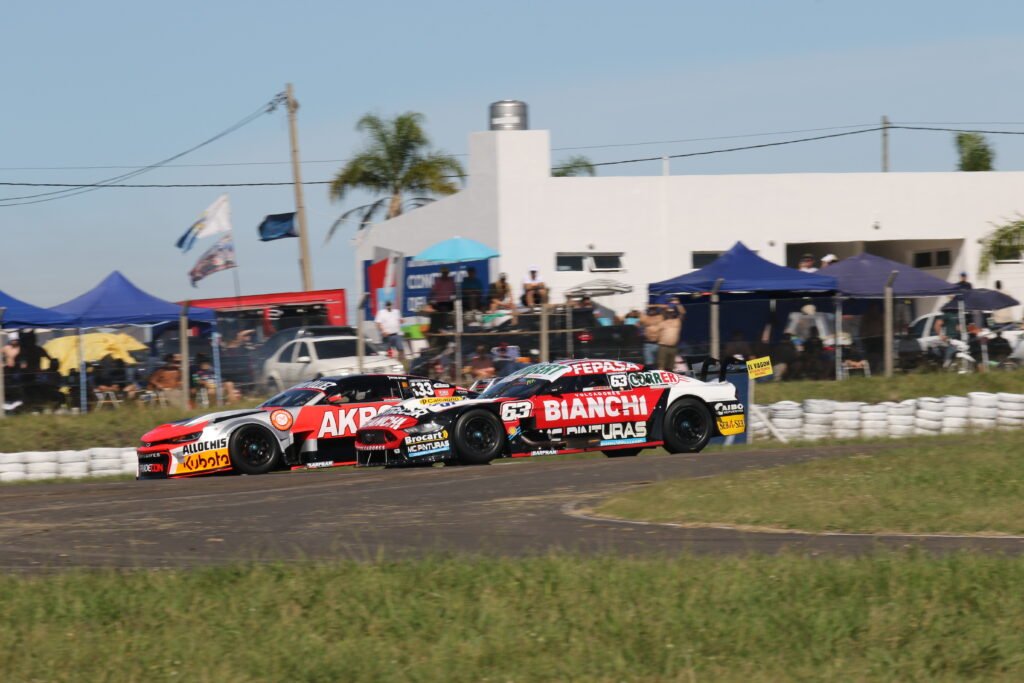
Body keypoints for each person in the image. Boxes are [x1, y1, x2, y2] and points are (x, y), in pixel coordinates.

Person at [656, 300, 686, 371]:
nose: (670, 314)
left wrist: (678, 304)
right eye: (669, 312)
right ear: (666, 313)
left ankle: (669, 381)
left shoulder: (677, 321)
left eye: (672, 312)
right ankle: (661, 381)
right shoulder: (663, 322)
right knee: (661, 366)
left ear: (674, 313)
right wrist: (664, 306)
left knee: (671, 367)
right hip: (663, 347)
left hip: (673, 347)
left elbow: (683, 313)